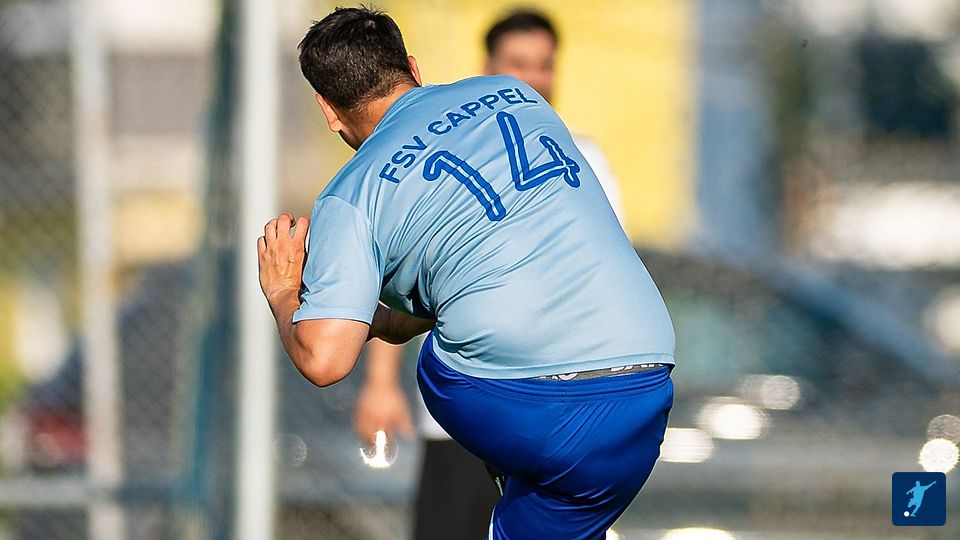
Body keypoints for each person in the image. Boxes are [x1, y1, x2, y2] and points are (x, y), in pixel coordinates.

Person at [257, 7, 675, 539]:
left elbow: (325, 360)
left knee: (439, 363)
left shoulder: (351, 194)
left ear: (328, 110)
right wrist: (389, 320)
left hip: (530, 406)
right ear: (412, 67)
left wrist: (283, 290)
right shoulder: (516, 95)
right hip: (645, 382)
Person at [351, 10, 629, 537]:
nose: (535, 78)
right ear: (488, 69)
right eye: (518, 63)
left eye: (545, 65)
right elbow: (403, 277)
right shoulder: (442, 160)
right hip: (462, 412)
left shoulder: (583, 160)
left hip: (550, 415)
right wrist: (381, 384)